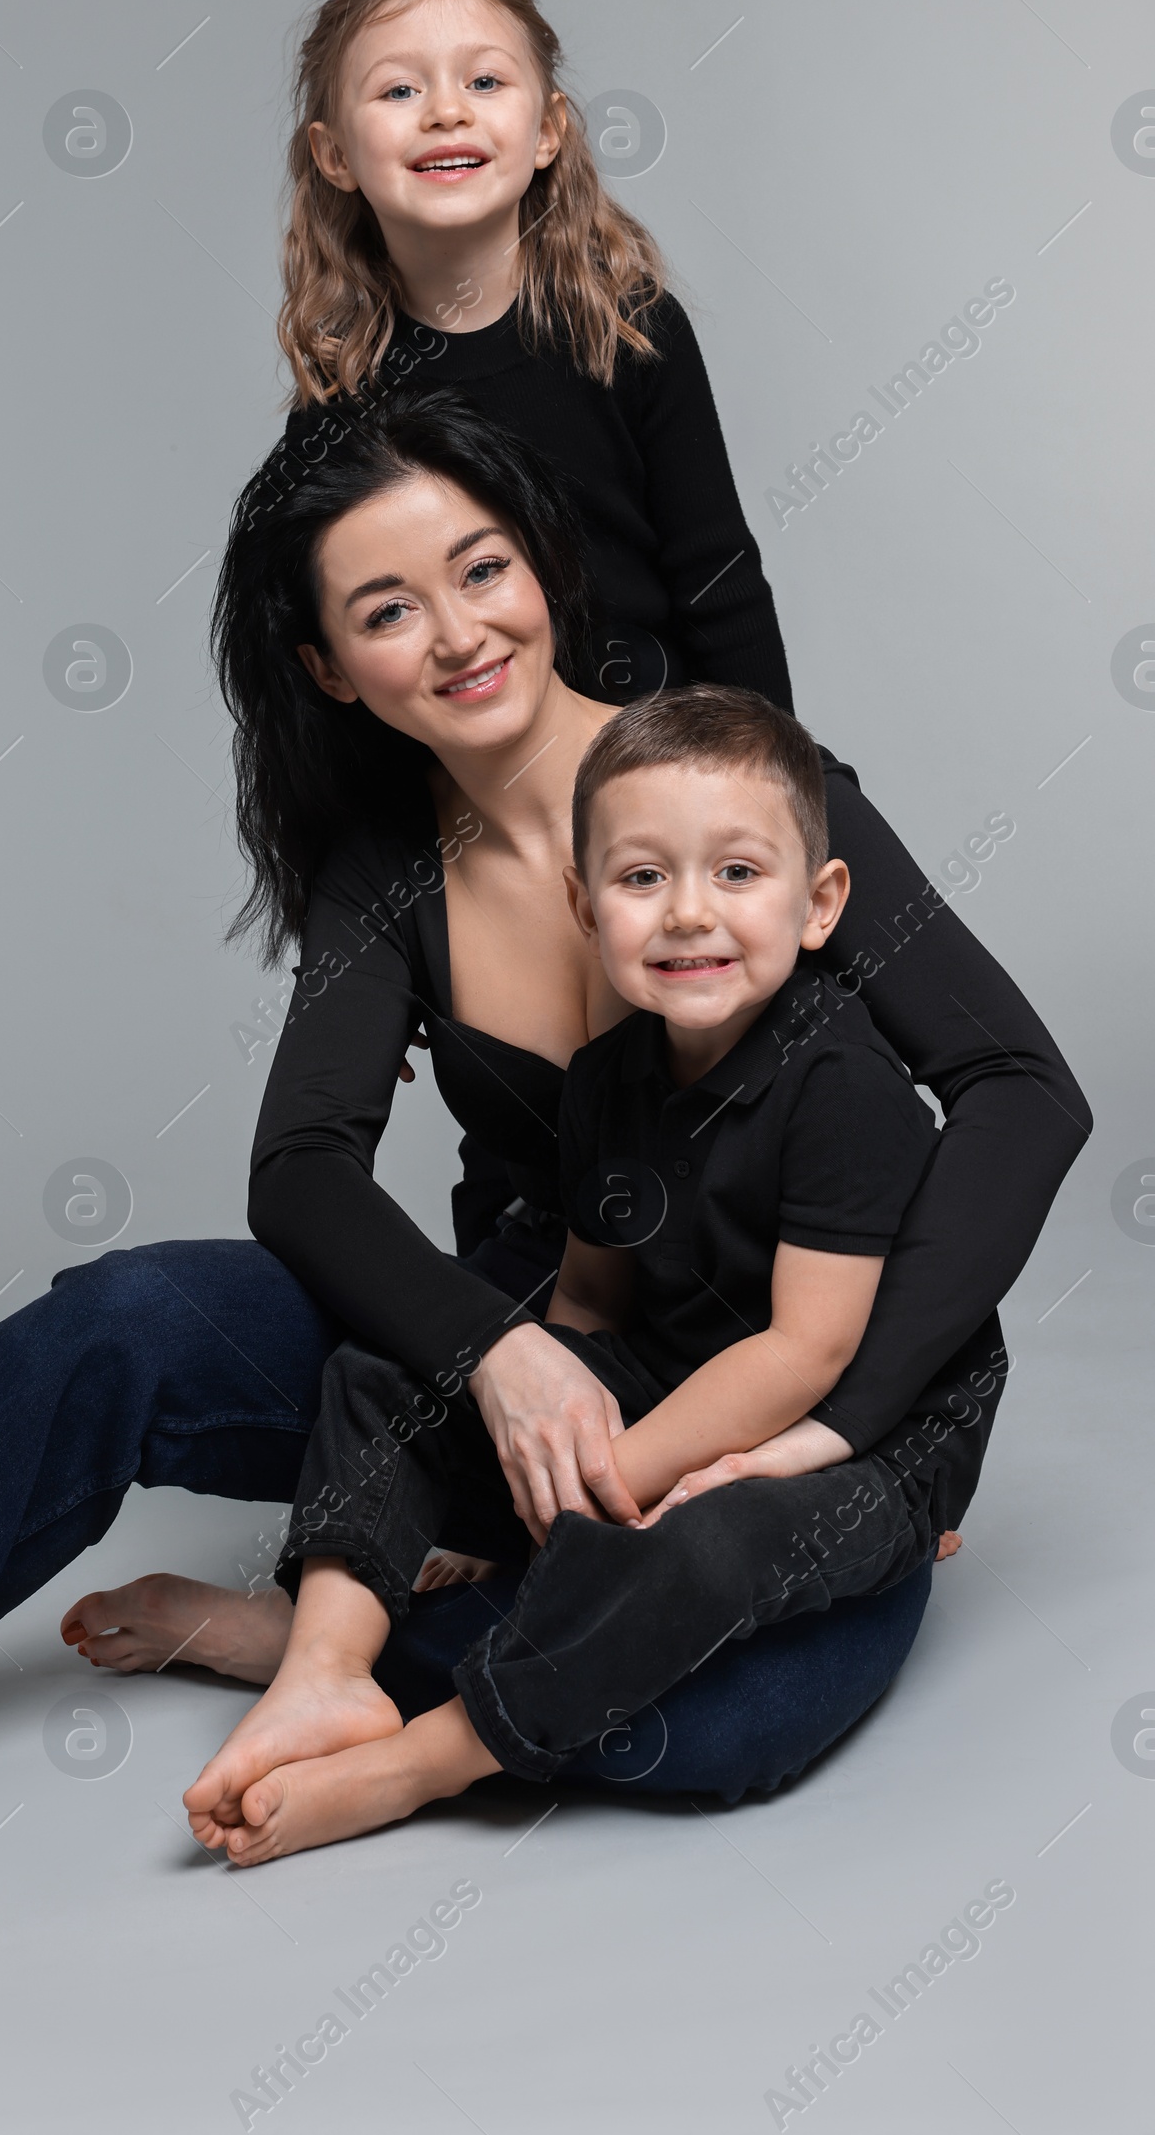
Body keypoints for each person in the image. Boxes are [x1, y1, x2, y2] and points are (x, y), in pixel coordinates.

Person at [0, 394, 1083, 1832]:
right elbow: (301, 1174)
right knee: (125, 1317)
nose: (458, 630)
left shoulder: (741, 784)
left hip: (789, 1383)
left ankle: (313, 1633)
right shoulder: (386, 872)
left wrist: (841, 1419)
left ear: (544, 564)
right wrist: (502, 1358)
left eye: (481, 568)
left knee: (715, 1727)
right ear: (331, 669)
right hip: (539, 1335)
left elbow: (1023, 1094)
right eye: (387, 609)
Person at [183, 687, 956, 1863]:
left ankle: (421, 1763)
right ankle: (321, 1664)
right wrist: (521, 1448)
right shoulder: (607, 1080)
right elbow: (590, 1302)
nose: (688, 915)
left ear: (820, 905)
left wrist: (610, 1486)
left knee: (691, 1558)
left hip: (844, 1435)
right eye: (642, 879)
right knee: (393, 1371)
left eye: (737, 875)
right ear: (583, 907)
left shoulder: (838, 1084)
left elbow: (809, 1350)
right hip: (674, 1368)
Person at [261, 0, 795, 1249]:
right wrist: (352, 953)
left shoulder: (624, 323)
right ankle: (525, 1261)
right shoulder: (344, 414)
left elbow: (718, 574)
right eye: (398, 89)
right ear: (335, 155)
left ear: (550, 129)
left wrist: (781, 804)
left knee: (718, 1071)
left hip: (657, 769)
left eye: (484, 82)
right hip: (479, 817)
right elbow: (321, 693)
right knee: (550, 1116)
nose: (447, 111)